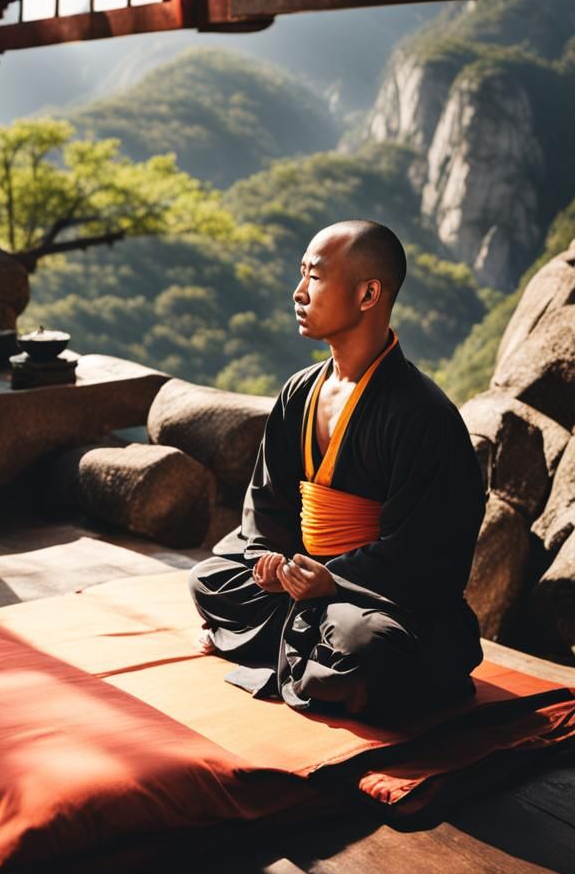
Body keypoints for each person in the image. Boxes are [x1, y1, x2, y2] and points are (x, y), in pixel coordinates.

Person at [188, 219, 486, 720]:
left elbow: (427, 552)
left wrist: (332, 581)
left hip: (380, 599)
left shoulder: (422, 414)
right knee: (209, 580)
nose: (298, 292)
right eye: (301, 274)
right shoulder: (299, 391)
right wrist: (271, 560)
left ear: (369, 294)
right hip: (302, 578)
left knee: (365, 642)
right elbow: (268, 501)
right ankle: (321, 664)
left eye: (315, 277)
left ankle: (313, 654)